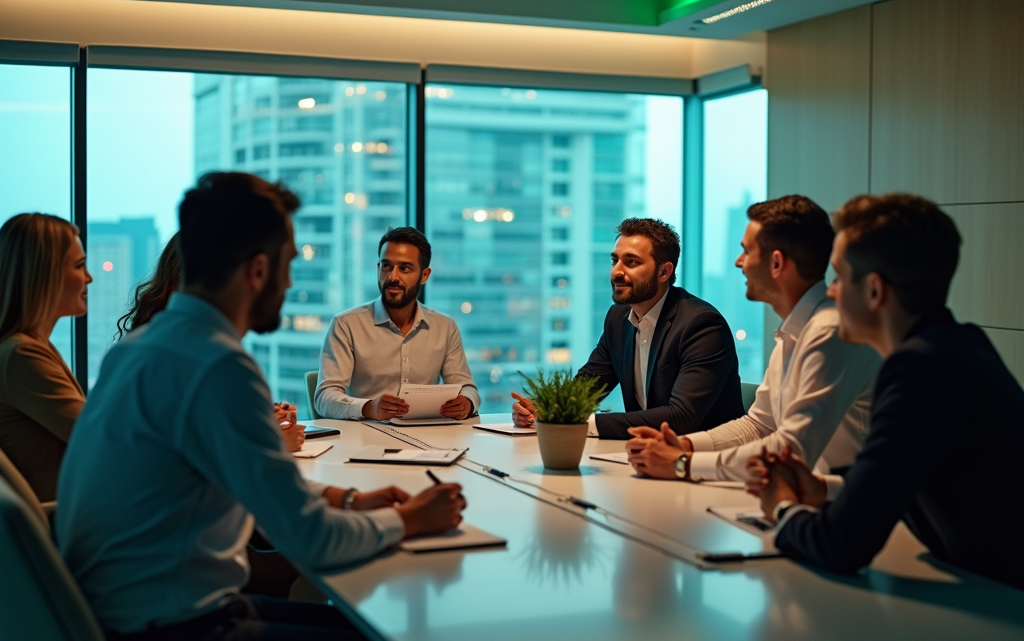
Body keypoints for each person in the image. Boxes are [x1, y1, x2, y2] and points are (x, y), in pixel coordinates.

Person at [57, 172, 465, 641]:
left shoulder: (142, 348)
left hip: (130, 625)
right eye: (289, 262)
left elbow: (246, 478)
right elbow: (311, 543)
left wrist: (348, 498)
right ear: (257, 269)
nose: (291, 280)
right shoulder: (218, 365)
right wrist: (408, 520)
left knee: (374, 633)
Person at [745, 194, 1024, 590]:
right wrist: (822, 488)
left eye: (839, 277)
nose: (830, 292)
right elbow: (900, 480)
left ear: (874, 291)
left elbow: (840, 545)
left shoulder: (922, 370)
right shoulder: (954, 347)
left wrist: (784, 509)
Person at [624, 196, 880, 484]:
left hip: (840, 509)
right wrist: (685, 446)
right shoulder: (794, 331)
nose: (738, 262)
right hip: (801, 499)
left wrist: (683, 464)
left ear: (776, 263)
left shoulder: (830, 331)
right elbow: (758, 426)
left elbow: (790, 449)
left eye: (746, 251)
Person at [512, 218, 744, 440]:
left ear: (664, 272)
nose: (616, 272)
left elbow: (682, 417)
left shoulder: (702, 325)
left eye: (631, 262)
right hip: (644, 455)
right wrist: (542, 409)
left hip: (704, 462)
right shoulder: (618, 317)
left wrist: (582, 424)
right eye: (615, 261)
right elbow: (586, 388)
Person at [115, 232, 304, 451]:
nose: (287, 284)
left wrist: (255, 420)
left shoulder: (136, 345)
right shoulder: (213, 357)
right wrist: (270, 442)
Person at [315, 226, 479, 421]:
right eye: (386, 266)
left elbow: (467, 387)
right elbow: (324, 397)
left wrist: (467, 403)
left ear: (424, 275)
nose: (393, 277)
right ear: (378, 269)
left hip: (429, 438)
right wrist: (368, 407)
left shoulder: (445, 327)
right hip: (366, 439)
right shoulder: (346, 325)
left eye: (404, 268)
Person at [0, 212, 90, 502]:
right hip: (67, 527)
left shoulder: (26, 348)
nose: (88, 277)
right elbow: (99, 441)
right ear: (45, 274)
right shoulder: (22, 356)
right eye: (79, 266)